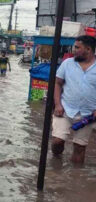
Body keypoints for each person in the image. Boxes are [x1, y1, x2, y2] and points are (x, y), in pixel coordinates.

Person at [52, 36, 96, 164]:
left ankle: (75, 177)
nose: (73, 49)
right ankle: (55, 164)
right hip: (65, 110)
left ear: (88, 49)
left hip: (87, 115)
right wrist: (58, 104)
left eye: (77, 47)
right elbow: (57, 83)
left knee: (79, 148)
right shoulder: (67, 63)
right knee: (57, 142)